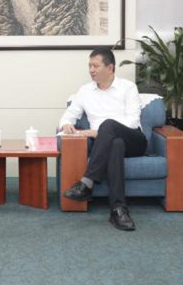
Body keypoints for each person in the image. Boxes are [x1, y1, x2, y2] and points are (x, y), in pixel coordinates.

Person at [59, 48, 147, 231]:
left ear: (110, 67)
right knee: (115, 144)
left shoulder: (128, 87)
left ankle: (87, 182)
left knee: (108, 125)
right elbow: (70, 114)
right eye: (89, 66)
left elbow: (132, 122)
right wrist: (66, 123)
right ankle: (118, 210)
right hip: (108, 145)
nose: (91, 70)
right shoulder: (85, 91)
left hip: (134, 140)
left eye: (96, 66)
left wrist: (98, 132)